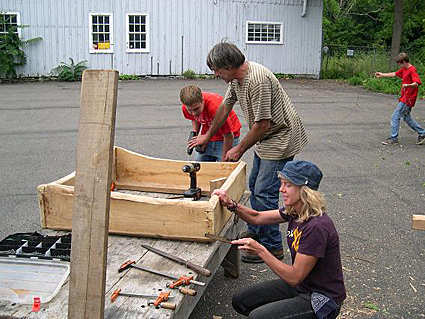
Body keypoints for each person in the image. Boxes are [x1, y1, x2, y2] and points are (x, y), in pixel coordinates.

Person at [190, 40, 308, 263]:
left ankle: (272, 247)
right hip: (266, 137)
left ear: (227, 66)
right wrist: (206, 134)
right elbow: (225, 106)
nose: (215, 74)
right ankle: (257, 231)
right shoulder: (237, 79)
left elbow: (263, 124)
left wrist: (238, 148)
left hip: (280, 138)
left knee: (265, 192)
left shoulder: (257, 81)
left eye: (216, 69)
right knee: (254, 185)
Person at [212, 160, 346, 319]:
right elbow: (257, 217)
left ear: (304, 190)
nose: (281, 189)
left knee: (258, 317)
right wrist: (232, 205)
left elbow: (294, 277)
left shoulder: (316, 227)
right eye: (282, 183)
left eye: (288, 185)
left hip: (321, 298)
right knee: (241, 301)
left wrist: (261, 250)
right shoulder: (296, 210)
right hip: (303, 286)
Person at [180, 84, 242, 161]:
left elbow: (229, 136)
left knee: (224, 170)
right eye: (190, 110)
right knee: (198, 168)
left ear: (202, 100)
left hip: (227, 138)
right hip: (208, 135)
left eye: (196, 109)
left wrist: (224, 162)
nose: (194, 113)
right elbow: (194, 118)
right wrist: (195, 133)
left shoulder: (215, 108)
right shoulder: (187, 107)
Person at [375, 52, 425, 145]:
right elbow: (394, 74)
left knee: (395, 116)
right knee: (406, 118)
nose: (399, 66)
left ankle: (393, 139)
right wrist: (382, 75)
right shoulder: (404, 69)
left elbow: (417, 83)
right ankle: (422, 133)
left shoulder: (412, 70)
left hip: (408, 99)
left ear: (405, 62)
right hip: (404, 97)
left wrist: (408, 85)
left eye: (400, 64)